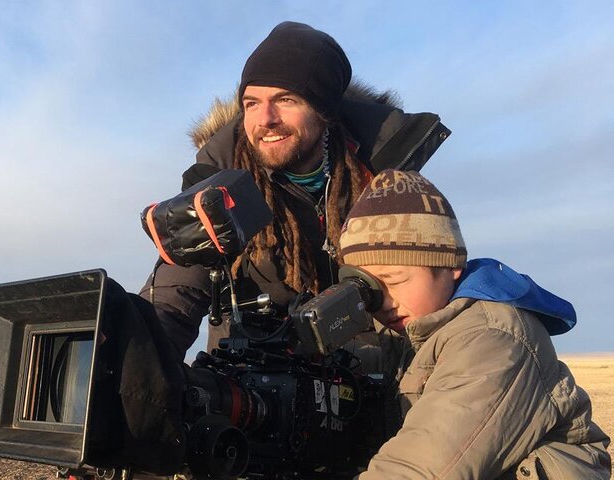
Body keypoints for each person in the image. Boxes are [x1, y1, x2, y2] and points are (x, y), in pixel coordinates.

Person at [142, 21, 450, 363]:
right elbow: (175, 294)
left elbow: (431, 277)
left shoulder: (378, 167)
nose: (265, 119)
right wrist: (138, 355)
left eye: (285, 100)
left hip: (373, 369)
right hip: (257, 375)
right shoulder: (220, 184)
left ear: (324, 111)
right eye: (251, 103)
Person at [338, 169, 612, 479]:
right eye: (369, 288)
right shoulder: (411, 335)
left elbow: (420, 470)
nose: (383, 301)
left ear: (450, 264)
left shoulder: (493, 339)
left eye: (395, 280)